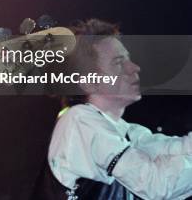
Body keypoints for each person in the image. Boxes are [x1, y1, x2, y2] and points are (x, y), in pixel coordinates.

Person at [37, 19, 192, 199]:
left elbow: (180, 149)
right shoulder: (79, 121)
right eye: (118, 62)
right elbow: (158, 185)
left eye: (129, 59)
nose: (134, 67)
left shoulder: (130, 133)